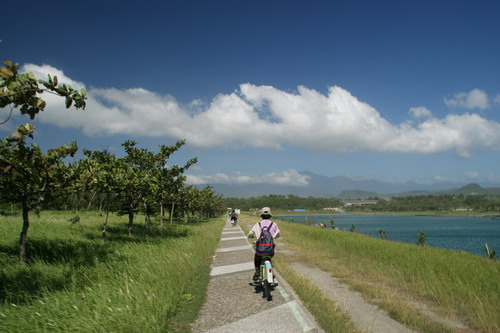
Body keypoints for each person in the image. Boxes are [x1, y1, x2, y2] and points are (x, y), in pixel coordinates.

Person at [247, 207, 281, 281]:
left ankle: (257, 272)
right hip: (270, 250)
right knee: (269, 257)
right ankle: (270, 272)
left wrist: (251, 236)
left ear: (261, 216)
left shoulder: (257, 225)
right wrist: (273, 237)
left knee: (257, 258)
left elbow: (250, 234)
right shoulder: (274, 224)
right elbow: (278, 234)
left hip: (260, 250)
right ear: (270, 215)